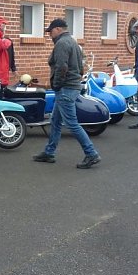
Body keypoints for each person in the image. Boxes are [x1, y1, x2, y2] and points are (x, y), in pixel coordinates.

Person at [32, 18, 100, 169]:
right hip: (72, 86)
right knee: (55, 121)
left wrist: (56, 85)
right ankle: (49, 152)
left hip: (65, 89)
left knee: (72, 123)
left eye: (50, 32)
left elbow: (61, 67)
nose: (50, 35)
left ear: (57, 29)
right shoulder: (73, 42)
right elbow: (82, 65)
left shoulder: (62, 43)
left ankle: (91, 153)